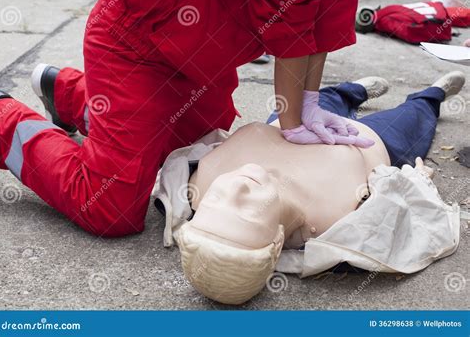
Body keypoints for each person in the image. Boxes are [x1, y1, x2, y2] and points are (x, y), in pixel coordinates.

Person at [0, 0, 362, 237]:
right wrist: (293, 116)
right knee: (110, 206)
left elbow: (326, 7)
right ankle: (4, 120)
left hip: (199, 57)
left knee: (197, 155)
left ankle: (69, 93)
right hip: (134, 43)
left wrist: (309, 101)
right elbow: (291, 6)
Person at [164, 71, 465, 304]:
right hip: (375, 139)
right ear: (277, 239)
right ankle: (431, 94)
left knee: (324, 96)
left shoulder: (200, 179)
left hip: (291, 122)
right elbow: (402, 216)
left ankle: (353, 91)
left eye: (217, 199)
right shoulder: (332, 223)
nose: (237, 189)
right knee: (417, 116)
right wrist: (417, 182)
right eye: (246, 211)